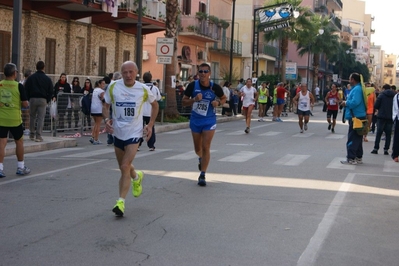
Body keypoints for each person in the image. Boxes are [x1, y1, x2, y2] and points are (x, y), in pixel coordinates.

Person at [103, 61, 158, 217]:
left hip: (134, 133)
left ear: (136, 72)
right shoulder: (113, 87)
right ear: (121, 73)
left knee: (125, 164)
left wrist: (151, 124)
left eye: (131, 72)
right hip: (118, 132)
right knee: (123, 166)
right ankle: (136, 176)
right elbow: (105, 106)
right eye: (125, 72)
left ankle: (120, 202)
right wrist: (107, 120)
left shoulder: (143, 89)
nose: (128, 75)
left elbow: (155, 106)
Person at [182, 63, 226, 186]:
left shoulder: (215, 87)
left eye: (205, 71)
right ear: (198, 73)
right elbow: (183, 102)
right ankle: (201, 158)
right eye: (200, 71)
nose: (203, 74)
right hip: (196, 120)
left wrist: (218, 102)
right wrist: (194, 99)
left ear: (209, 73)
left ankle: (202, 175)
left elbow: (224, 98)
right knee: (198, 149)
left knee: (206, 146)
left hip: (209, 120)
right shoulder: (192, 86)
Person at [0, 63, 31, 178]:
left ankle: (0, 168)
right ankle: (20, 167)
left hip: (1, 118)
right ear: (14, 73)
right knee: (19, 142)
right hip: (15, 119)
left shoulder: (0, 85)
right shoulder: (19, 86)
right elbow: (24, 103)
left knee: (1, 143)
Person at [340, 73, 367, 165]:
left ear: (353, 80)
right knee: (358, 138)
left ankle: (351, 158)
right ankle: (358, 157)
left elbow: (355, 102)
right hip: (358, 116)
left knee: (352, 138)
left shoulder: (357, 89)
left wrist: (346, 103)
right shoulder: (358, 89)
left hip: (356, 117)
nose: (349, 81)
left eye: (350, 79)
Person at [24, 60, 53, 142]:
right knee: (40, 118)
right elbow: (51, 90)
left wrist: (29, 97)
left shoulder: (31, 78)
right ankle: (38, 135)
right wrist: (47, 99)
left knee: (32, 116)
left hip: (33, 98)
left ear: (36, 67)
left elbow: (26, 89)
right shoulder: (47, 79)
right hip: (43, 99)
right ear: (44, 68)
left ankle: (31, 134)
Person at [139, 71, 161, 151]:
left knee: (139, 128)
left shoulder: (140, 87)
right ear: (151, 78)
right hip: (151, 112)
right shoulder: (155, 88)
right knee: (151, 127)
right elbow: (158, 98)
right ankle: (151, 145)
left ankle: (137, 144)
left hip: (141, 112)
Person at [371, 84, 395, 155]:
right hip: (390, 117)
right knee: (388, 134)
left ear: (384, 88)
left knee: (379, 133)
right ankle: (386, 150)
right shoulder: (394, 96)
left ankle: (376, 148)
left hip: (381, 116)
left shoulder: (381, 95)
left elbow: (376, 105)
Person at [90, 79, 105, 145]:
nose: (103, 85)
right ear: (99, 84)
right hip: (99, 109)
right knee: (98, 124)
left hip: (93, 108)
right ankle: (96, 138)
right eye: (102, 84)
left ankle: (92, 136)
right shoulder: (101, 91)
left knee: (95, 123)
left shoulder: (95, 90)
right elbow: (103, 99)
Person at [20, 69, 32, 136]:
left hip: (22, 100)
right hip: (27, 100)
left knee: (23, 115)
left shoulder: (21, 82)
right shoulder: (27, 82)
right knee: (27, 116)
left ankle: (24, 128)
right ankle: (27, 129)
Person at [391, 91, 399, 162]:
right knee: (397, 138)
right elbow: (395, 108)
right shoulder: (396, 96)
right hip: (398, 119)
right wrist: (394, 117)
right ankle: (395, 155)